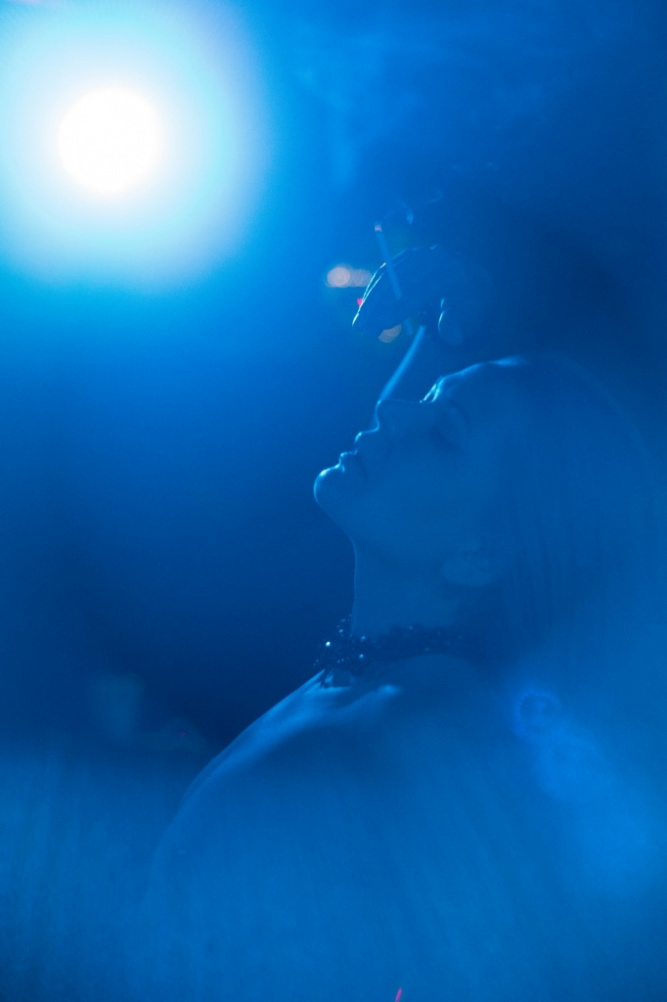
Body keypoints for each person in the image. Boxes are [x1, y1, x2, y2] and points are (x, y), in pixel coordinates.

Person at [126, 249, 666, 1001]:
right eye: (426, 398)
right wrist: (444, 326)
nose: (393, 411)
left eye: (442, 431)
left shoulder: (401, 744)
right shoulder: (374, 680)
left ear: (481, 556)